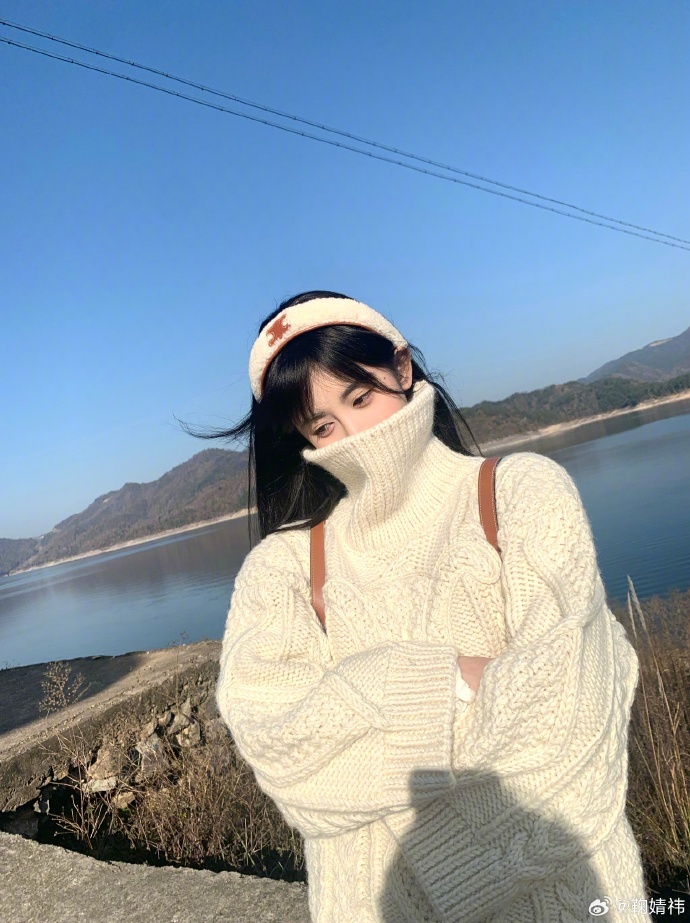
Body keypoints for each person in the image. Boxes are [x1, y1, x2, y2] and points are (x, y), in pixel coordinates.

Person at [212, 290, 650, 922]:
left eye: (360, 397)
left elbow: (568, 731)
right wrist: (446, 681)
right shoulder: (284, 568)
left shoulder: (519, 493)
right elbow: (279, 749)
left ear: (401, 368)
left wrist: (364, 752)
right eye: (323, 426)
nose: (355, 434)